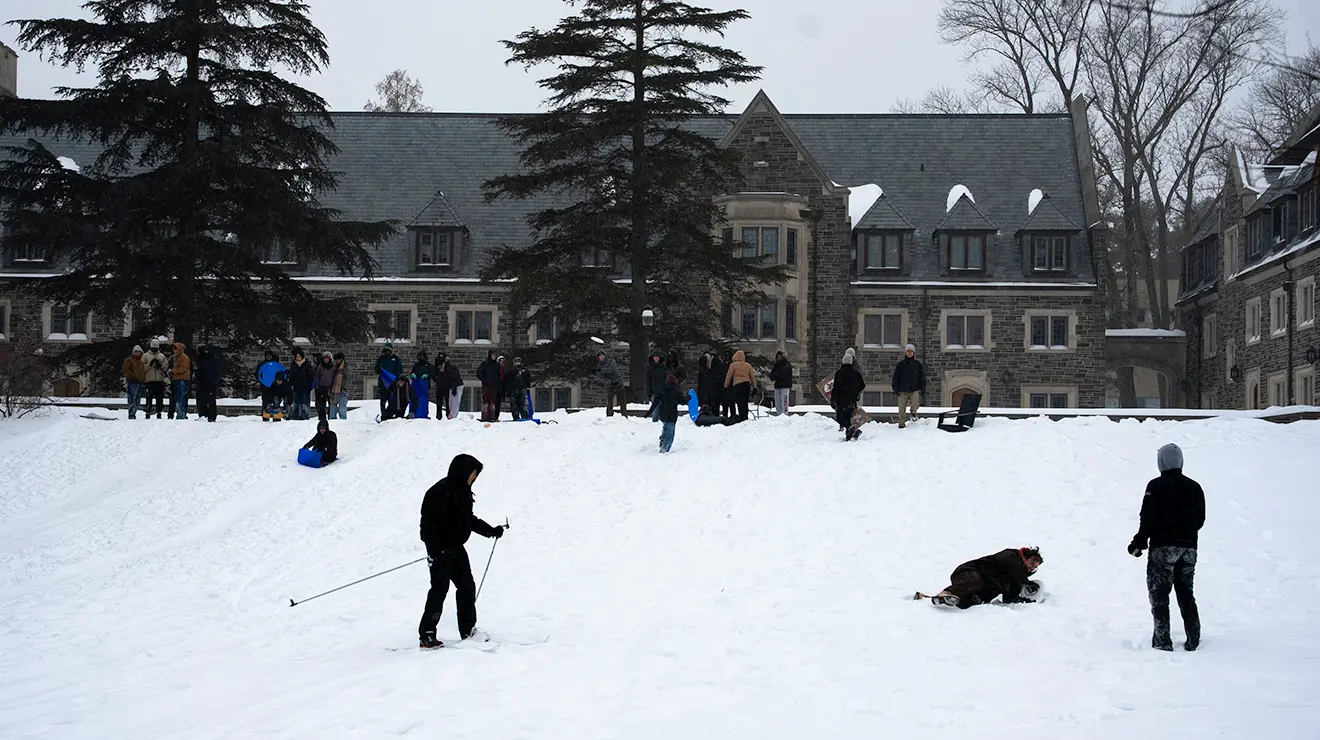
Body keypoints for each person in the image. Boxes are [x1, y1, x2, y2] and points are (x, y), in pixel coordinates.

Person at [417, 454, 507, 648]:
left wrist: (490, 531)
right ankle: (427, 634)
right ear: (463, 471)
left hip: (456, 548)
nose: (474, 478)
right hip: (441, 551)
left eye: (476, 474)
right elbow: (427, 525)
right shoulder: (439, 492)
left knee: (467, 587)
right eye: (473, 473)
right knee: (439, 590)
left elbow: (468, 520)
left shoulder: (464, 492)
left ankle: (468, 630)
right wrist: (435, 549)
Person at [1129, 443, 1205, 651]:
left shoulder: (1155, 486)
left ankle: (1163, 641)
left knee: (1159, 594)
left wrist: (1139, 542)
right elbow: (1200, 520)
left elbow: (1148, 518)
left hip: (1162, 548)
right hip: (1189, 548)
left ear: (1161, 461)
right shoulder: (1195, 487)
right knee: (1186, 592)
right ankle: (1193, 638)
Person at [931, 547, 1043, 609]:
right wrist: (1026, 583)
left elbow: (1009, 598)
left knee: (974, 601)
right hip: (969, 571)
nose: (1032, 566)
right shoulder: (1012, 555)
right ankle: (947, 593)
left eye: (1035, 566)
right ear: (1026, 557)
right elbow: (1013, 569)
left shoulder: (1016, 580)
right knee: (975, 581)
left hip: (979, 587)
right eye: (1032, 562)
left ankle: (953, 601)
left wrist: (1024, 599)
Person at [832, 352, 866, 441]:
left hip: (841, 399)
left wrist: (833, 399)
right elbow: (862, 385)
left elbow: (835, 387)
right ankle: (849, 435)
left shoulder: (839, 373)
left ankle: (854, 430)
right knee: (848, 417)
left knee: (841, 418)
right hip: (852, 399)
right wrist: (856, 390)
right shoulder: (855, 373)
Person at [892, 344, 925, 429]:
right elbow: (896, 377)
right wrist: (895, 389)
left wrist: (922, 388)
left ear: (913, 353)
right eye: (908, 351)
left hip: (914, 389)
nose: (909, 353)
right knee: (901, 409)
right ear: (905, 353)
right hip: (902, 390)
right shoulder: (901, 365)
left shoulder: (917, 365)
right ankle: (901, 425)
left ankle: (913, 412)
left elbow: (922, 377)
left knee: (915, 404)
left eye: (911, 351)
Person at [723, 349, 756, 422]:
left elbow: (729, 376)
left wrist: (726, 386)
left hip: (738, 385)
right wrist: (754, 387)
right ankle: (745, 416)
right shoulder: (748, 365)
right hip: (747, 384)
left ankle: (741, 417)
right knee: (745, 402)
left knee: (739, 402)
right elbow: (752, 377)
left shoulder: (733, 365)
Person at [195, 343, 223, 422]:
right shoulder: (201, 358)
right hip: (204, 382)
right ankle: (205, 415)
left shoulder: (211, 358)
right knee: (204, 400)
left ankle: (209, 416)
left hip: (208, 382)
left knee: (208, 400)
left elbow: (215, 370)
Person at [374, 343, 404, 419]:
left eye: (388, 350)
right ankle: (384, 415)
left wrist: (394, 376)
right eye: (385, 350)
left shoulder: (395, 359)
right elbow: (377, 370)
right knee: (383, 400)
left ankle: (390, 414)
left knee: (392, 400)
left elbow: (400, 370)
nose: (386, 352)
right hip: (383, 383)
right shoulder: (380, 359)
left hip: (392, 383)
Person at [594, 351, 627, 417]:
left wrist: (602, 370)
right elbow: (602, 377)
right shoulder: (599, 366)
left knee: (622, 401)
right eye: (600, 356)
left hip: (618, 383)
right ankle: (609, 416)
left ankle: (624, 415)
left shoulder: (611, 361)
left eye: (602, 355)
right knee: (609, 401)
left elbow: (612, 370)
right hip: (610, 385)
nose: (601, 357)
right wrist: (609, 381)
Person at [142, 340, 169, 419]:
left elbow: (166, 367)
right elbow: (142, 368)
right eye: (153, 348)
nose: (155, 350)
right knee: (149, 397)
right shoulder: (145, 356)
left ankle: (159, 412)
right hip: (149, 380)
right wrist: (150, 364)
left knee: (159, 398)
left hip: (159, 380)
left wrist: (160, 365)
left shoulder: (161, 356)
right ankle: (148, 411)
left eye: (156, 348)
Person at [287, 348, 314, 421]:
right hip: (296, 387)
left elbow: (310, 376)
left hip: (305, 387)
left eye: (299, 356)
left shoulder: (307, 365)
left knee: (304, 403)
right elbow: (291, 375)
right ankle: (294, 416)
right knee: (295, 403)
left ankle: (305, 416)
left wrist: (309, 386)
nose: (298, 358)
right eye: (297, 356)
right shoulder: (293, 365)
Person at [657, 374, 682, 452]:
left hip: (663, 413)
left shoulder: (662, 389)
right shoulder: (676, 390)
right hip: (671, 414)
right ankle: (664, 448)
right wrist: (689, 397)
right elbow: (682, 400)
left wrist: (649, 412)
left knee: (666, 427)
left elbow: (656, 401)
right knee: (670, 432)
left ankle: (662, 440)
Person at [477, 349, 503, 422]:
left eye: (495, 355)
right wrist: (484, 380)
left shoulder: (497, 365)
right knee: (485, 401)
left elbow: (499, 375)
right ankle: (485, 417)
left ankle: (492, 417)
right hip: (486, 386)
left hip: (494, 386)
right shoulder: (485, 364)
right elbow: (478, 373)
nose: (494, 356)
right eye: (493, 355)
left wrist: (497, 382)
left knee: (492, 402)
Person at [437, 353, 464, 420]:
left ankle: (453, 415)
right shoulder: (447, 369)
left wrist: (454, 389)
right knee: (451, 401)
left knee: (455, 401)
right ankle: (451, 414)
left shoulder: (450, 368)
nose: (441, 369)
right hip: (452, 386)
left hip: (457, 385)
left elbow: (454, 379)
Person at [122, 345, 146, 419]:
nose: (138, 354)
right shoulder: (129, 360)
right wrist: (133, 376)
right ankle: (131, 413)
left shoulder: (141, 362)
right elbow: (125, 369)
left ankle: (134, 412)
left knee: (137, 399)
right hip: (132, 382)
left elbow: (143, 372)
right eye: (136, 352)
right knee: (132, 398)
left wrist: (143, 379)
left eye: (139, 352)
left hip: (140, 382)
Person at [170, 341, 191, 420]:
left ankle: (181, 415)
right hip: (177, 379)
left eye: (175, 349)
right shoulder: (177, 357)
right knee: (179, 398)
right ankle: (180, 415)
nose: (174, 351)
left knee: (180, 398)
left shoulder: (183, 357)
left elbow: (182, 368)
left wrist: (173, 371)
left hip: (182, 379)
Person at [646, 353, 667, 422]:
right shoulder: (650, 367)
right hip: (654, 390)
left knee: (660, 406)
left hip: (662, 390)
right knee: (656, 406)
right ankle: (656, 420)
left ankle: (659, 420)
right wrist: (649, 391)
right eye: (655, 357)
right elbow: (648, 380)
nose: (656, 358)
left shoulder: (664, 368)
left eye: (657, 357)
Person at [696, 351, 719, 416]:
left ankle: (705, 411)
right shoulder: (714, 362)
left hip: (704, 384)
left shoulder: (702, 368)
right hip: (710, 384)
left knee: (705, 399)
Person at [330, 352, 350, 421]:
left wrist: (343, 387)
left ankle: (343, 420)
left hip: (343, 390)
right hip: (334, 390)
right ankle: (332, 419)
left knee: (342, 408)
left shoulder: (346, 368)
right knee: (333, 406)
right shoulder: (334, 368)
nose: (336, 361)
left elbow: (348, 378)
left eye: (337, 359)